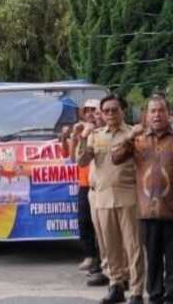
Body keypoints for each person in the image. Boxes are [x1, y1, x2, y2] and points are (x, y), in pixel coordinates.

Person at [112, 94, 173, 304]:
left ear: (168, 114)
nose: (157, 115)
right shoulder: (138, 140)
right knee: (152, 258)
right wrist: (129, 136)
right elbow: (115, 158)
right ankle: (155, 296)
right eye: (153, 111)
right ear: (146, 115)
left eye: (161, 110)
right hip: (147, 210)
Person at [77, 95, 144, 304]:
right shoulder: (96, 136)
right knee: (110, 247)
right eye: (106, 111)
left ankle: (136, 291)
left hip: (128, 196)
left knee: (133, 247)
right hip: (103, 198)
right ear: (102, 114)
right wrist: (82, 139)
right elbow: (82, 162)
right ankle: (116, 285)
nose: (110, 114)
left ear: (122, 111)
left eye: (115, 110)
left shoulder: (134, 133)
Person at [67, 99, 103, 277]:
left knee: (101, 226)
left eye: (94, 110)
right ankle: (90, 255)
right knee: (84, 221)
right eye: (87, 110)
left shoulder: (101, 132)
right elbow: (73, 159)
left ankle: (101, 261)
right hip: (84, 184)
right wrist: (76, 136)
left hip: (100, 184)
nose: (90, 113)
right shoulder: (83, 131)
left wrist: (88, 133)